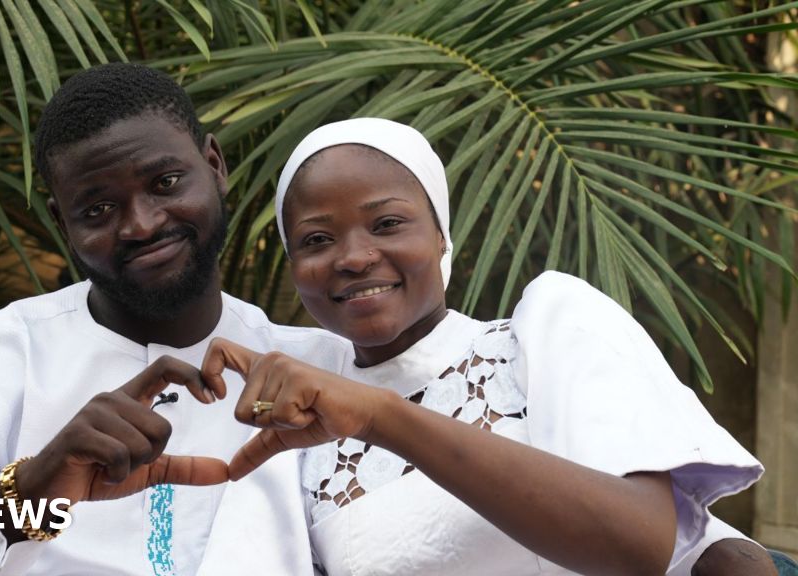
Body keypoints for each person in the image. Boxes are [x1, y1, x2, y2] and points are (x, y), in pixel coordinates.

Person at [200, 118, 776, 575]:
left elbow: (639, 549)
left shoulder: (542, 334)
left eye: (387, 224)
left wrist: (381, 416)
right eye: (317, 239)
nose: (352, 257)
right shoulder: (298, 448)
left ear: (442, 234)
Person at [0, 64, 350, 576]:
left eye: (166, 182)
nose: (142, 224)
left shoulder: (323, 367)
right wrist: (23, 497)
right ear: (61, 221)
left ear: (214, 163)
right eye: (98, 209)